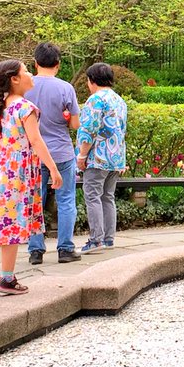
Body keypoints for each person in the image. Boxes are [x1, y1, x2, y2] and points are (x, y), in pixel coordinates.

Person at [0, 59, 62, 297]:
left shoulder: (4, 106)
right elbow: (36, 141)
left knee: (4, 222)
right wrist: (53, 169)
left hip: (0, 169)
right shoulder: (25, 107)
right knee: (8, 222)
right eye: (26, 71)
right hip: (16, 172)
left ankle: (5, 277)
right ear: (14, 79)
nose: (30, 74)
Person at [24, 42, 81, 265]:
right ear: (58, 64)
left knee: (35, 200)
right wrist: (66, 118)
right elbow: (75, 123)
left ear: (35, 63)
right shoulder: (66, 88)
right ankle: (65, 248)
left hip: (33, 152)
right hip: (61, 151)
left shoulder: (26, 87)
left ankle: (35, 250)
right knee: (66, 199)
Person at [77, 63, 128, 255]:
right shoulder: (119, 100)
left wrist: (82, 155)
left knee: (92, 196)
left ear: (91, 80)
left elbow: (89, 130)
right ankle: (108, 238)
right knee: (108, 196)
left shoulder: (95, 100)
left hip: (97, 157)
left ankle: (95, 239)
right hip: (115, 157)